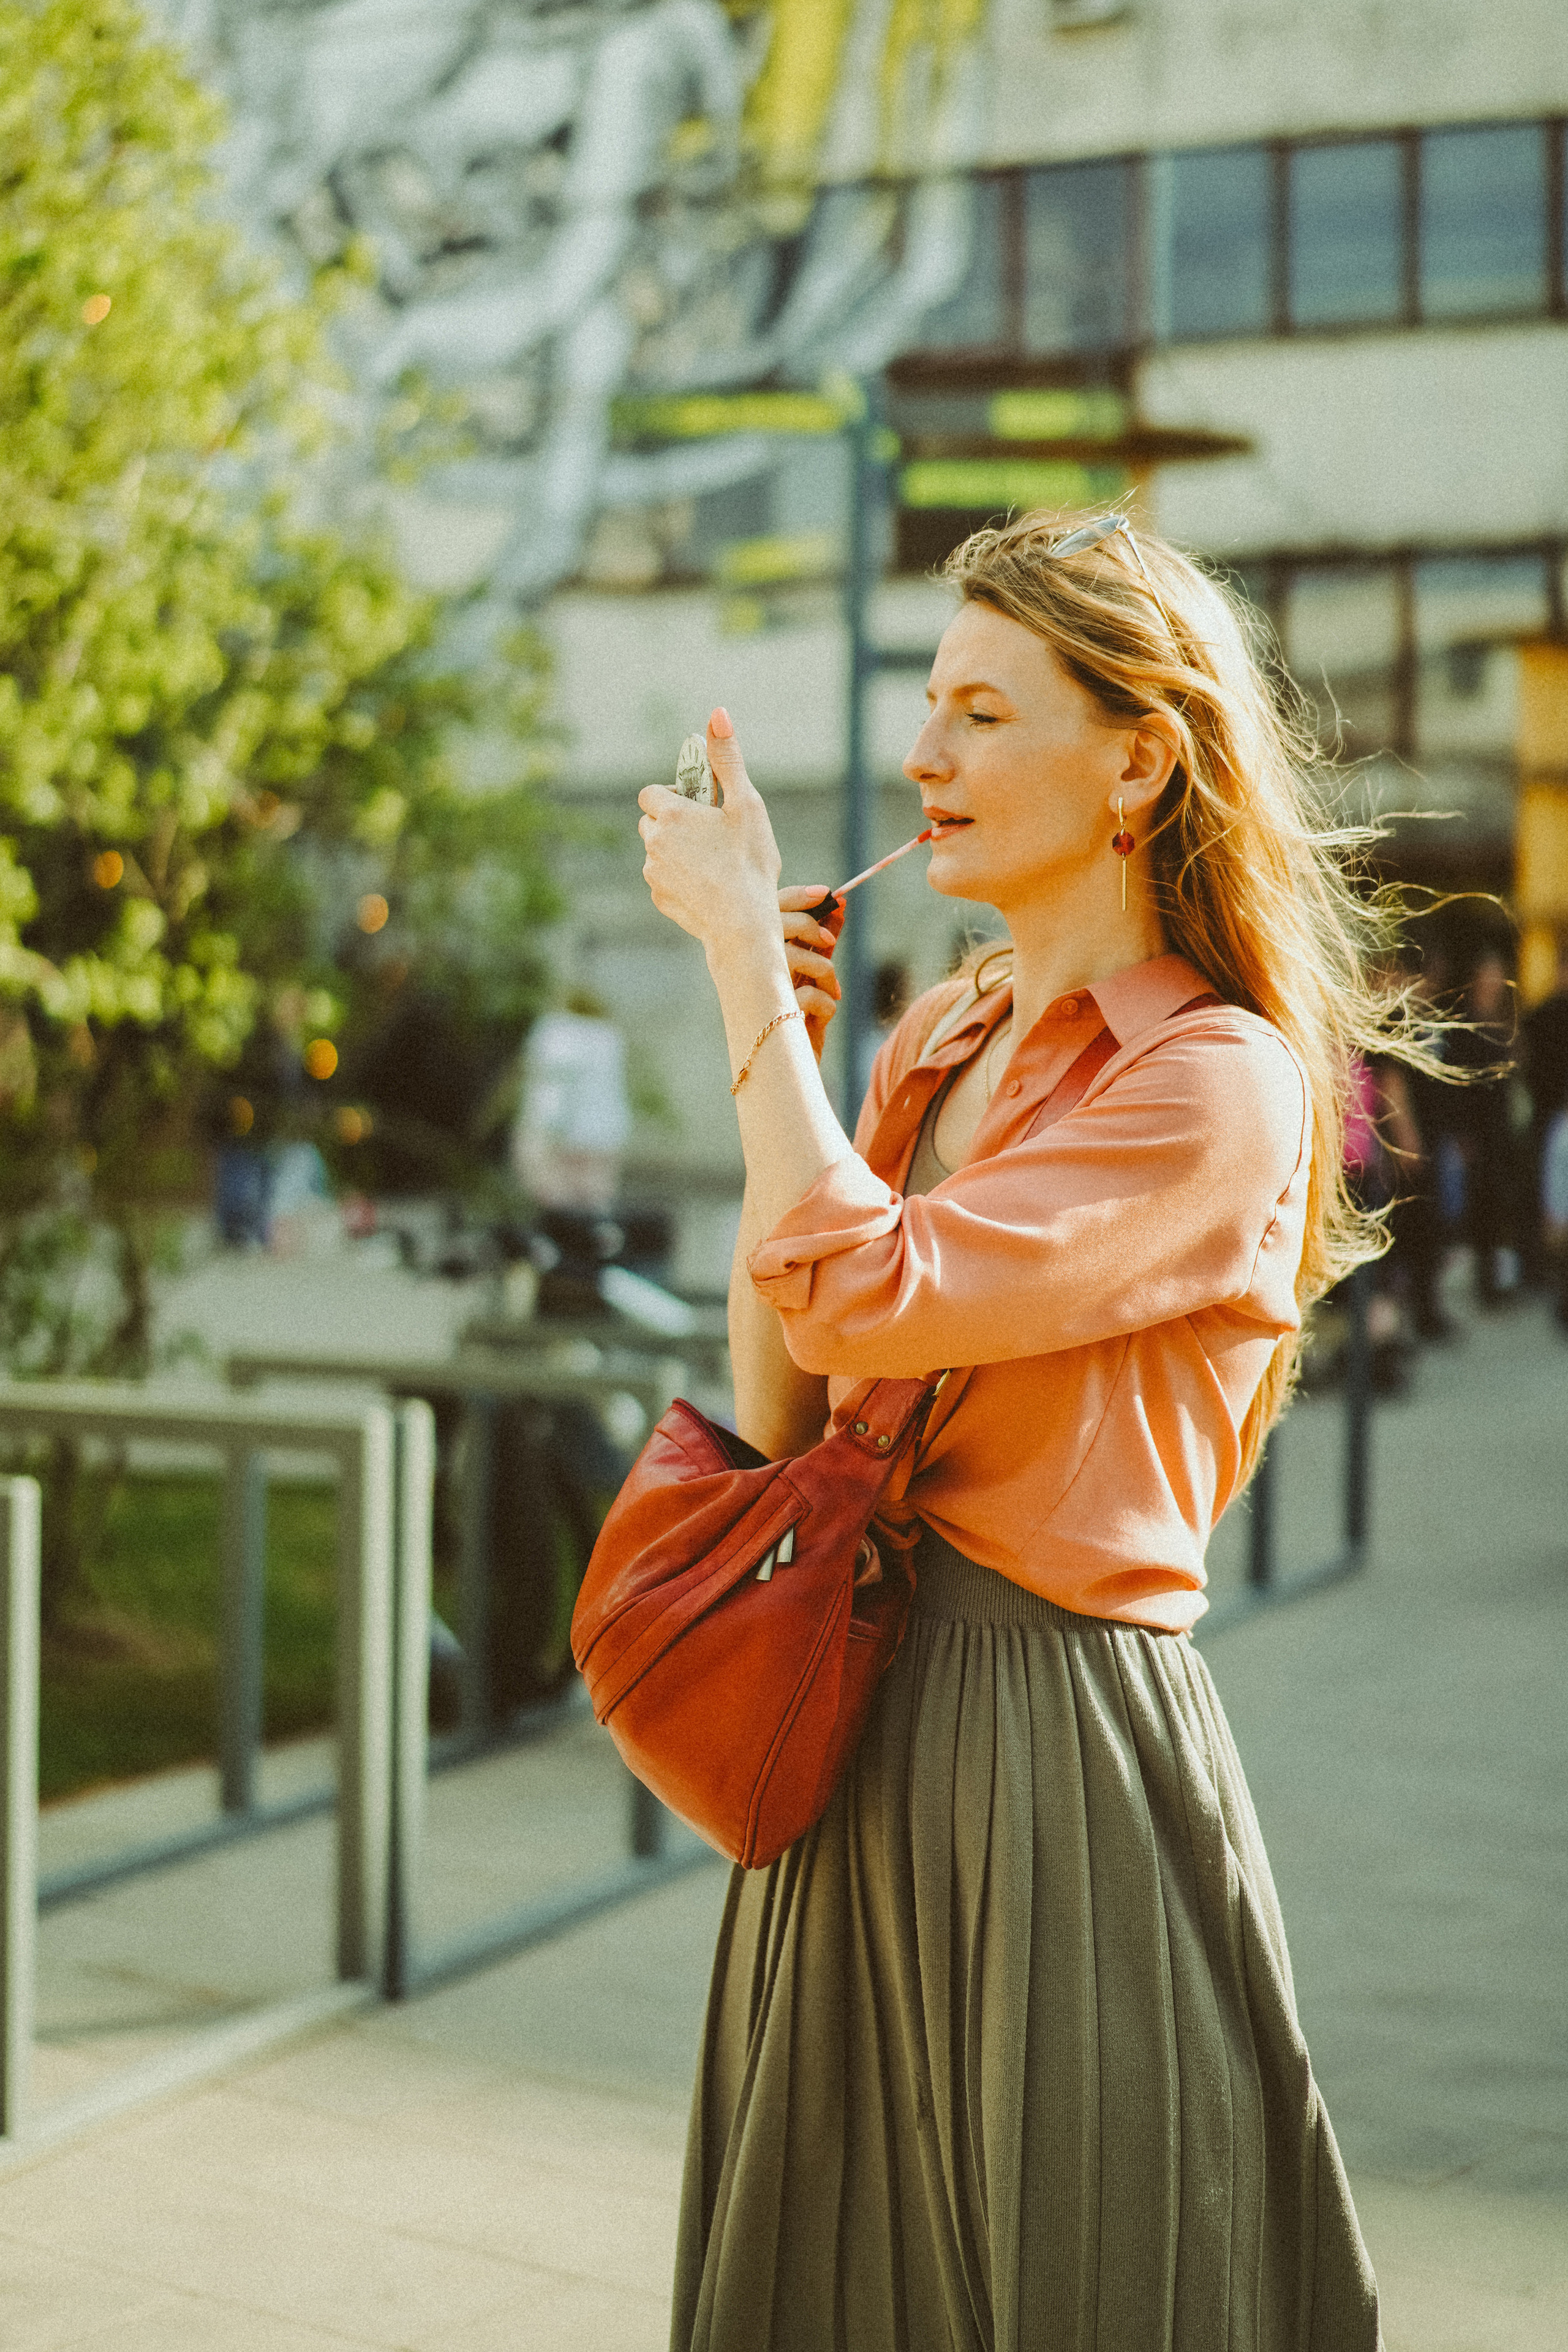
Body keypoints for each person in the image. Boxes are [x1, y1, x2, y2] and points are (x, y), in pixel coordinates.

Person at [636, 511, 1390, 2350]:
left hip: (1056, 1742)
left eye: (983, 714)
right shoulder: (943, 1037)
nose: (925, 757)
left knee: (1084, 2277)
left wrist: (747, 982)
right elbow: (787, 1402)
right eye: (930, 707)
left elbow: (862, 1294)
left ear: (1138, 762)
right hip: (850, 1721)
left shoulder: (1218, 1082)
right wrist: (788, 1065)